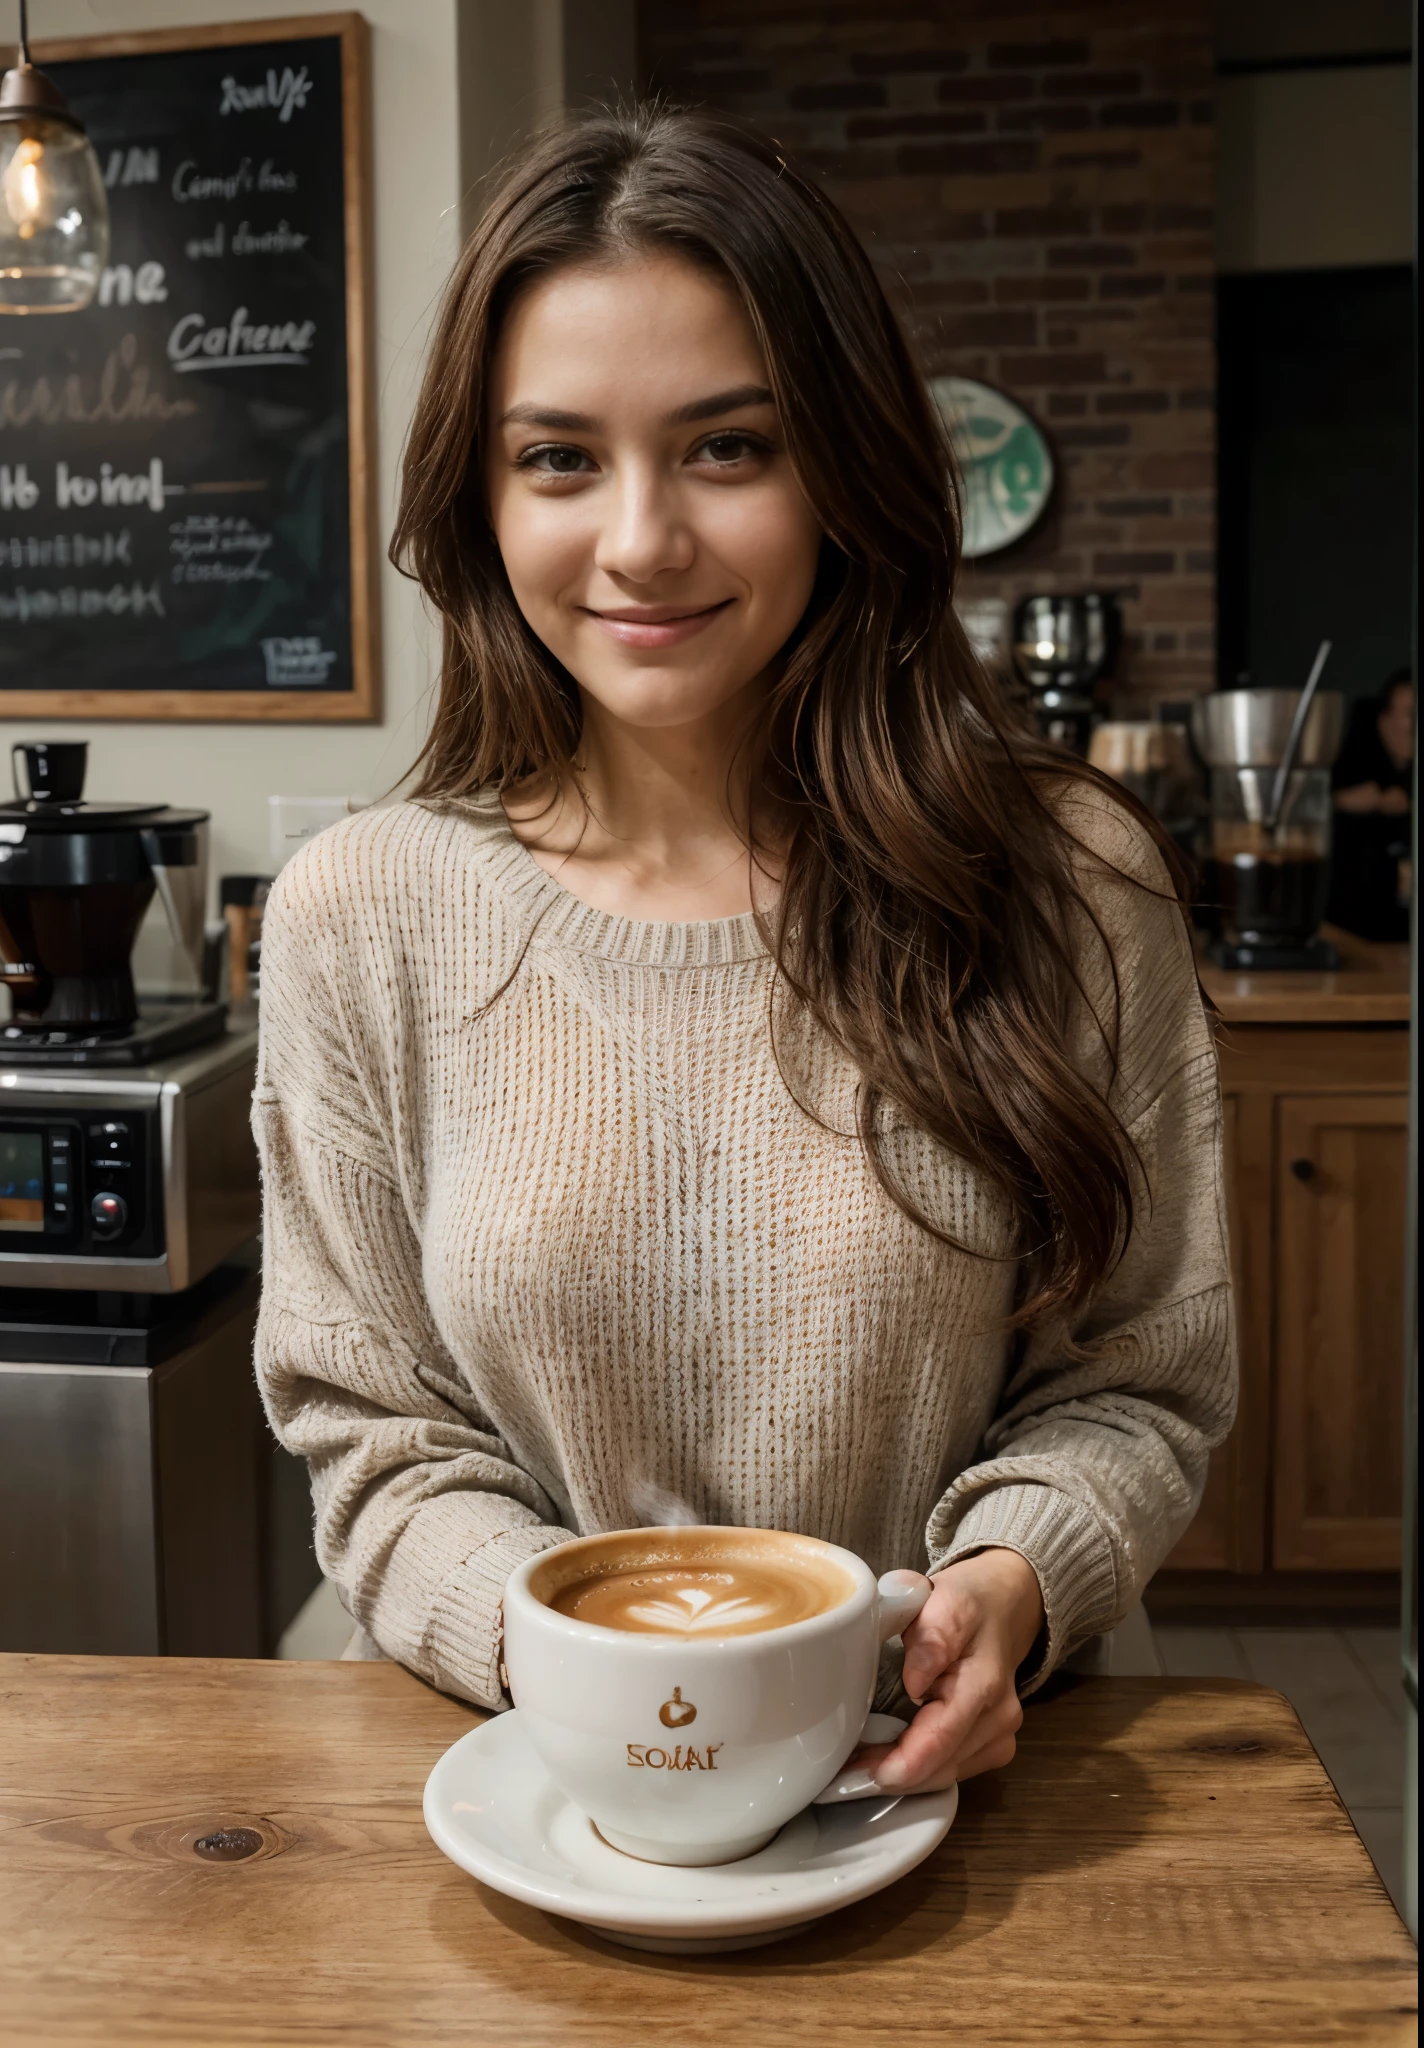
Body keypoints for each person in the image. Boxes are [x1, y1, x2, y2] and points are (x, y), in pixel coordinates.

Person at [253, 107, 1234, 1796]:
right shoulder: (362, 911)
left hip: (959, 1785)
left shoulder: (1069, 880)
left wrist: (1007, 1589)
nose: (639, 539)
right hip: (499, 1780)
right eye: (557, 457)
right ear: (476, 498)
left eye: (726, 447)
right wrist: (591, 1683)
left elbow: (1136, 1383)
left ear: (844, 470)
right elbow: (375, 1441)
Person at [1328, 670, 1413, 942]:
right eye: (1409, 714)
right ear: (1384, 720)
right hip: (1357, 936)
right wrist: (1340, 802)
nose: (1413, 726)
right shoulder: (1350, 775)